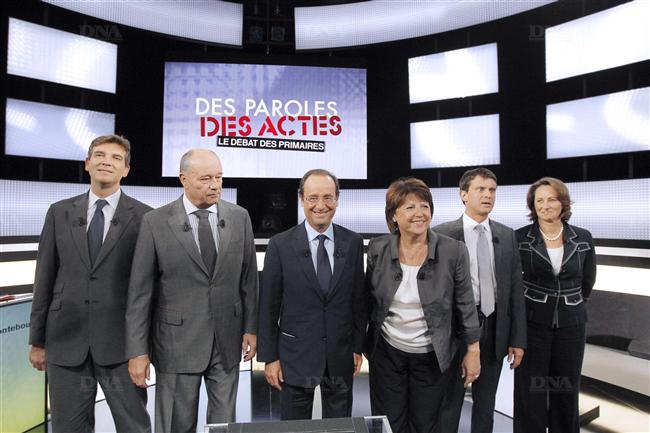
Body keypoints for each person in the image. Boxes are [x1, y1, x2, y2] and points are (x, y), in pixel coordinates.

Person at [125, 149, 258, 433]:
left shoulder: (240, 217)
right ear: (183, 179)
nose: (215, 185)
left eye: (219, 177)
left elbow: (248, 280)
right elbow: (140, 293)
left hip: (227, 340)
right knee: (177, 425)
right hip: (176, 344)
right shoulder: (155, 222)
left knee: (224, 426)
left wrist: (250, 328)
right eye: (205, 179)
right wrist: (138, 351)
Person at [28, 135, 152, 433]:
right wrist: (37, 340)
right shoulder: (59, 212)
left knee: (134, 427)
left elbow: (148, 289)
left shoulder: (146, 218)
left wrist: (143, 349)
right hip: (65, 342)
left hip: (121, 347)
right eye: (99, 155)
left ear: (126, 170)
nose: (106, 162)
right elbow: (44, 278)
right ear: (87, 163)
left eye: (116, 158)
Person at [365, 177, 481, 433]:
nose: (419, 213)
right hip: (387, 353)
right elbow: (368, 301)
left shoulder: (453, 250)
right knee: (387, 423)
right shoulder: (377, 248)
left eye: (424, 206)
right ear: (393, 216)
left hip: (432, 355)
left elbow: (465, 304)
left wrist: (473, 350)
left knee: (425, 424)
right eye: (410, 207)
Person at [257, 169, 365, 420]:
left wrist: (357, 347)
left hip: (340, 356)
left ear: (337, 199)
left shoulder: (353, 243)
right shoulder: (280, 245)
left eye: (328, 197)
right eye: (313, 198)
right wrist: (270, 358)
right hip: (294, 357)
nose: (321, 205)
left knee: (339, 427)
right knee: (294, 427)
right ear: (301, 199)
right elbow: (268, 307)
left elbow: (358, 302)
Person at [434, 168, 526, 433]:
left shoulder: (507, 235)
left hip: (495, 328)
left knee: (486, 404)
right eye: (480, 189)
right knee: (449, 402)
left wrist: (517, 339)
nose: (488, 195)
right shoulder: (441, 234)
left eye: (492, 190)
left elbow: (515, 290)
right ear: (463, 195)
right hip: (456, 328)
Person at [513, 177, 596, 433]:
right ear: (533, 205)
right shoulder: (519, 238)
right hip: (532, 323)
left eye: (551, 199)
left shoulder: (583, 237)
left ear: (563, 203)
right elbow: (512, 284)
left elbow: (587, 281)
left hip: (571, 323)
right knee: (531, 391)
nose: (545, 205)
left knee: (566, 389)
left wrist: (570, 304)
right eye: (539, 200)